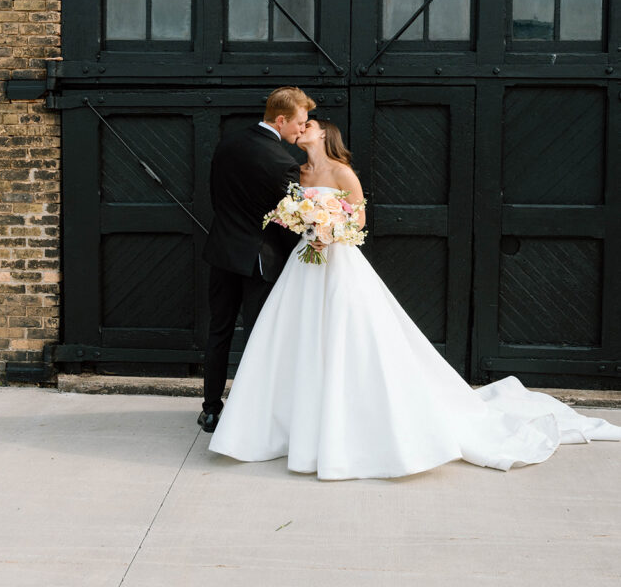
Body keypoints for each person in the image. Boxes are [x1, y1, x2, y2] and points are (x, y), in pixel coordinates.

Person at [208, 118, 621, 479]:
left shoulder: (342, 171)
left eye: (310, 125)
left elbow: (359, 217)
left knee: (347, 333)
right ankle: (290, 421)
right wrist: (305, 223)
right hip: (305, 261)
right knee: (294, 335)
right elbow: (293, 211)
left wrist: (331, 228)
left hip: (338, 259)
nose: (303, 128)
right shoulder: (297, 173)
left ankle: (348, 420)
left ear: (324, 134)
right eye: (302, 123)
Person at [198, 86, 316, 433]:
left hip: (222, 252)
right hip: (259, 261)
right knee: (257, 336)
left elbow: (216, 198)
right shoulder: (283, 163)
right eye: (299, 122)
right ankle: (249, 415)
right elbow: (287, 221)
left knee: (218, 331)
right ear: (281, 120)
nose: (301, 129)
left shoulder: (228, 143)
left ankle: (209, 409)